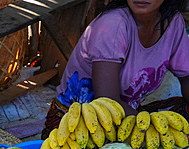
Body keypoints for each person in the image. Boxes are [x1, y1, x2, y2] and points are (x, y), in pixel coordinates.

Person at [43, 0, 189, 137]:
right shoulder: (112, 24)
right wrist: (151, 129)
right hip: (78, 125)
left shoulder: (171, 22)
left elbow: (186, 77)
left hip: (127, 115)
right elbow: (107, 102)